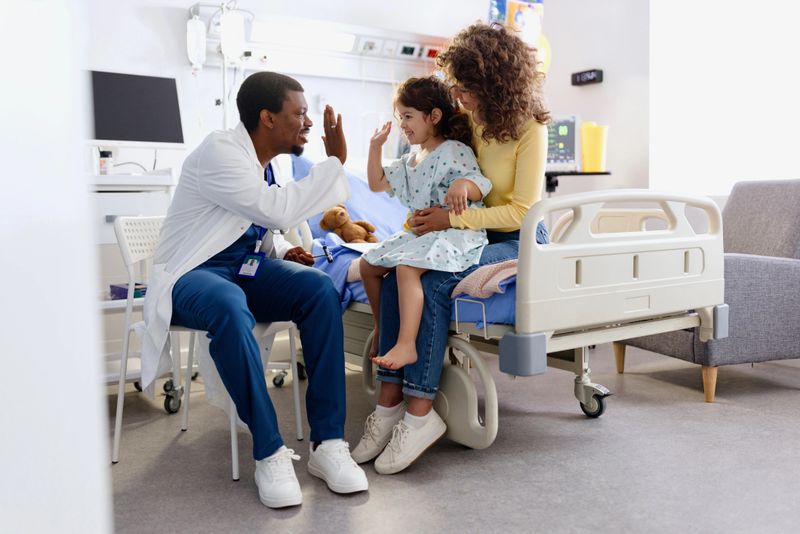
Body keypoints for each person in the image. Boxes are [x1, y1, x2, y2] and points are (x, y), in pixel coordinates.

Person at [139, 71, 368, 509]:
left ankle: (328, 444)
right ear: (267, 117)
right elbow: (273, 209)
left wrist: (281, 249)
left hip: (243, 269)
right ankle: (269, 452)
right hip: (191, 272)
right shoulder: (220, 151)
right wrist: (335, 162)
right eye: (300, 113)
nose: (308, 123)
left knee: (319, 288)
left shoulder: (267, 164)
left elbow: (251, 225)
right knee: (228, 304)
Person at [352, 23, 551, 475]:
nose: (458, 97)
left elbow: (522, 211)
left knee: (435, 284)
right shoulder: (471, 120)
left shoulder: (530, 129)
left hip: (518, 239)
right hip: (470, 233)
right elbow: (441, 170)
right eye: (456, 88)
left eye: (466, 88)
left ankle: (419, 415)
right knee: (396, 271)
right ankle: (388, 404)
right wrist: (430, 217)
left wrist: (451, 219)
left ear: (493, 82)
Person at [359, 76, 492, 374]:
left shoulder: (453, 150)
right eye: (399, 117)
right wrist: (374, 147)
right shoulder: (411, 159)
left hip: (455, 233)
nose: (402, 124)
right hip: (422, 233)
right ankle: (382, 328)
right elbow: (376, 183)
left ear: (433, 116)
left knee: (406, 268)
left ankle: (407, 344)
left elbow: (481, 184)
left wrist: (463, 185)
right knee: (367, 266)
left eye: (408, 116)